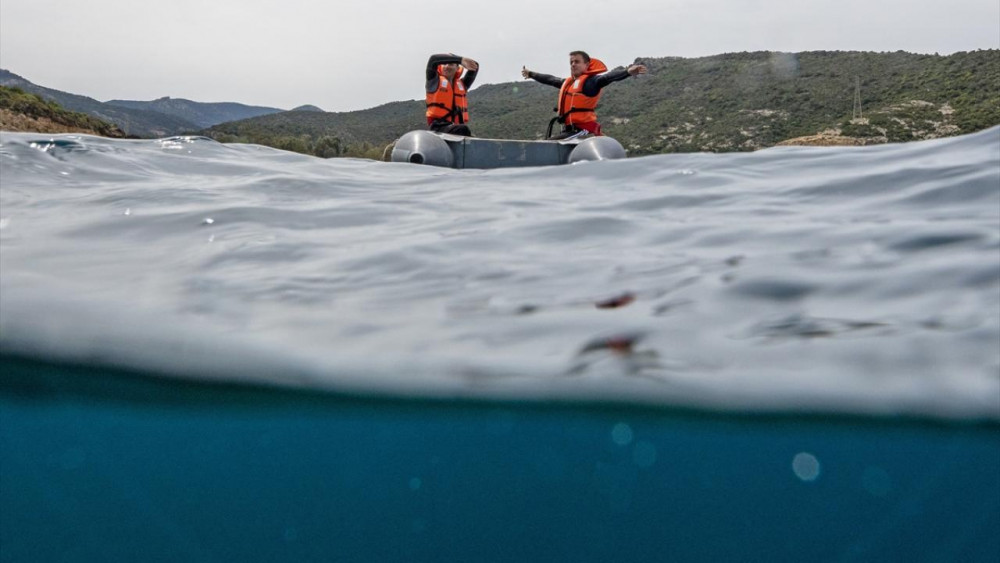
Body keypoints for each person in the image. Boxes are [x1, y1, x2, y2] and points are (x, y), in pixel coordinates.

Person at [522, 51, 647, 139]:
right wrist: (531, 74)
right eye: (571, 62)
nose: (573, 64)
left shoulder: (591, 82)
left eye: (577, 61)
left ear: (587, 65)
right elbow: (550, 79)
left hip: (583, 130)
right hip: (568, 131)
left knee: (550, 144)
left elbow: (607, 78)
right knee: (549, 143)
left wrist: (627, 72)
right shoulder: (568, 83)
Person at [426, 53, 479, 136]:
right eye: (444, 64)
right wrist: (460, 59)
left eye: (450, 64)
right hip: (438, 127)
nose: (446, 66)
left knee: (470, 135)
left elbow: (475, 65)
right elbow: (433, 59)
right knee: (462, 129)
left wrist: (459, 59)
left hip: (455, 127)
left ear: (457, 68)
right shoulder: (433, 80)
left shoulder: (462, 84)